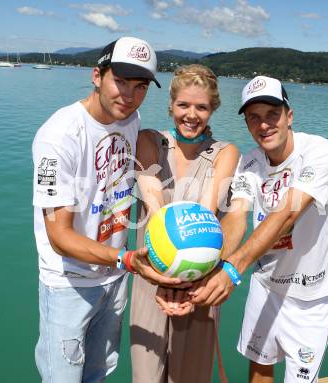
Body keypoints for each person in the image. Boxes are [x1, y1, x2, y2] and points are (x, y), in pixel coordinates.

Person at [32, 36, 184, 383]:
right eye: (121, 81)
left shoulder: (130, 119)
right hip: (70, 283)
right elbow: (59, 235)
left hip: (113, 280)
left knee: (99, 374)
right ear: (97, 76)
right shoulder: (58, 138)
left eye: (140, 86)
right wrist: (128, 260)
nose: (129, 96)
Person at [184, 75, 328, 382]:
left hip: (310, 294)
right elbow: (236, 217)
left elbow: (287, 214)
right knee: (259, 364)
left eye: (272, 114)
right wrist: (210, 266)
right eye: (254, 118)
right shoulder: (249, 162)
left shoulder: (322, 153)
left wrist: (233, 270)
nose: (264, 125)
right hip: (265, 283)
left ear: (289, 115)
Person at [129, 64, 240, 383]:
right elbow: (154, 204)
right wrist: (164, 283)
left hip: (200, 282)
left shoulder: (225, 153)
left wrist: (183, 285)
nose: (191, 114)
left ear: (213, 109)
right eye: (183, 105)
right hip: (149, 280)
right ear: (171, 105)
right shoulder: (148, 140)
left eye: (201, 107)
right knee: (146, 378)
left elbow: (205, 216)